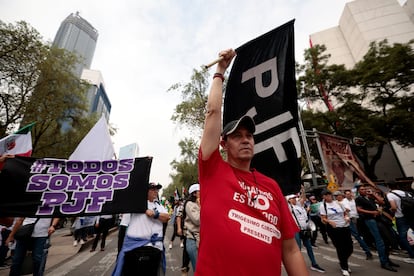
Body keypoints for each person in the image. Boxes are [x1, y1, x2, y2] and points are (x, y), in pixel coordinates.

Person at [197, 48, 308, 275]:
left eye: (249, 136)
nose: (245, 140)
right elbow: (213, 112)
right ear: (223, 145)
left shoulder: (272, 186)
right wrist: (220, 72)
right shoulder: (213, 170)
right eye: (237, 136)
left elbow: (290, 249)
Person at [112, 182, 170, 276]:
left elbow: (167, 217)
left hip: (155, 248)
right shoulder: (135, 204)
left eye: (156, 189)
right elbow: (123, 226)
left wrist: (155, 214)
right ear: (145, 191)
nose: (155, 191)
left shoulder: (158, 206)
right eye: (152, 189)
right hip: (136, 248)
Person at [355, 184, 399, 272]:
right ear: (359, 191)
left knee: (387, 239)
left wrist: (373, 194)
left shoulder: (370, 197)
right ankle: (384, 262)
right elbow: (358, 210)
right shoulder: (359, 199)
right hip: (370, 220)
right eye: (362, 189)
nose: (364, 190)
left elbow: (382, 202)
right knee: (380, 241)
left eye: (365, 189)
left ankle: (387, 260)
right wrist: (372, 212)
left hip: (379, 219)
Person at [286, 192, 325, 273]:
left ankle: (314, 264)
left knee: (309, 247)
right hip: (296, 231)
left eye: (295, 198)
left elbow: (303, 199)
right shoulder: (289, 207)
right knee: (298, 250)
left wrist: (303, 191)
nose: (294, 199)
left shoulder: (300, 206)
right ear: (289, 200)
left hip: (305, 230)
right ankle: (297, 267)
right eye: (292, 198)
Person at [319, 189, 353, 276]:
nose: (328, 196)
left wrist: (346, 217)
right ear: (323, 197)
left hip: (345, 226)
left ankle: (342, 261)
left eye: (329, 194)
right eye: (326, 195)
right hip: (334, 229)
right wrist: (330, 222)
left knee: (350, 247)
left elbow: (345, 213)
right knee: (340, 248)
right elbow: (323, 219)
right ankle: (344, 267)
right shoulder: (323, 206)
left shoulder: (338, 203)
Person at [386, 186, 414, 264]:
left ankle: (412, 255)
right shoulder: (405, 193)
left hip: (401, 218)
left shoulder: (390, 195)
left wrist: (390, 210)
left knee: (403, 237)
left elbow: (394, 207)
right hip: (410, 216)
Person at [343, 189, 373, 260]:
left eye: (349, 193)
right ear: (345, 195)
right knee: (357, 236)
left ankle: (369, 247)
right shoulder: (344, 202)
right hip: (350, 220)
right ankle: (367, 252)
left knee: (363, 234)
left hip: (359, 219)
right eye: (347, 194)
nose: (349, 195)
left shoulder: (355, 200)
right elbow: (347, 210)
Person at [183, 183, 200, 273]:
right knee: (198, 269)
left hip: (201, 239)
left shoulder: (199, 203)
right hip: (193, 240)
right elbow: (197, 220)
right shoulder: (189, 204)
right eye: (199, 191)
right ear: (194, 193)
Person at [176, 198, 190, 276]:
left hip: (201, 233)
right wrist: (179, 228)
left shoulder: (203, 202)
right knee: (186, 251)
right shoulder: (185, 205)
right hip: (188, 232)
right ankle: (184, 269)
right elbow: (178, 216)